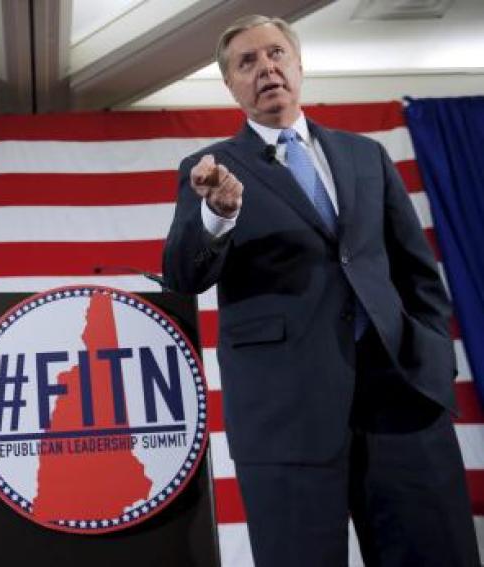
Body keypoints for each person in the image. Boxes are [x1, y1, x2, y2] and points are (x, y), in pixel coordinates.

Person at [163, 14, 479, 566]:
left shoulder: (365, 156)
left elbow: (417, 271)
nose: (266, 68)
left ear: (299, 64)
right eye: (247, 61)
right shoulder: (210, 170)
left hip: (401, 400)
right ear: (231, 85)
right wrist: (218, 214)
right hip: (287, 417)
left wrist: (429, 359)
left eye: (276, 54)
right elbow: (184, 278)